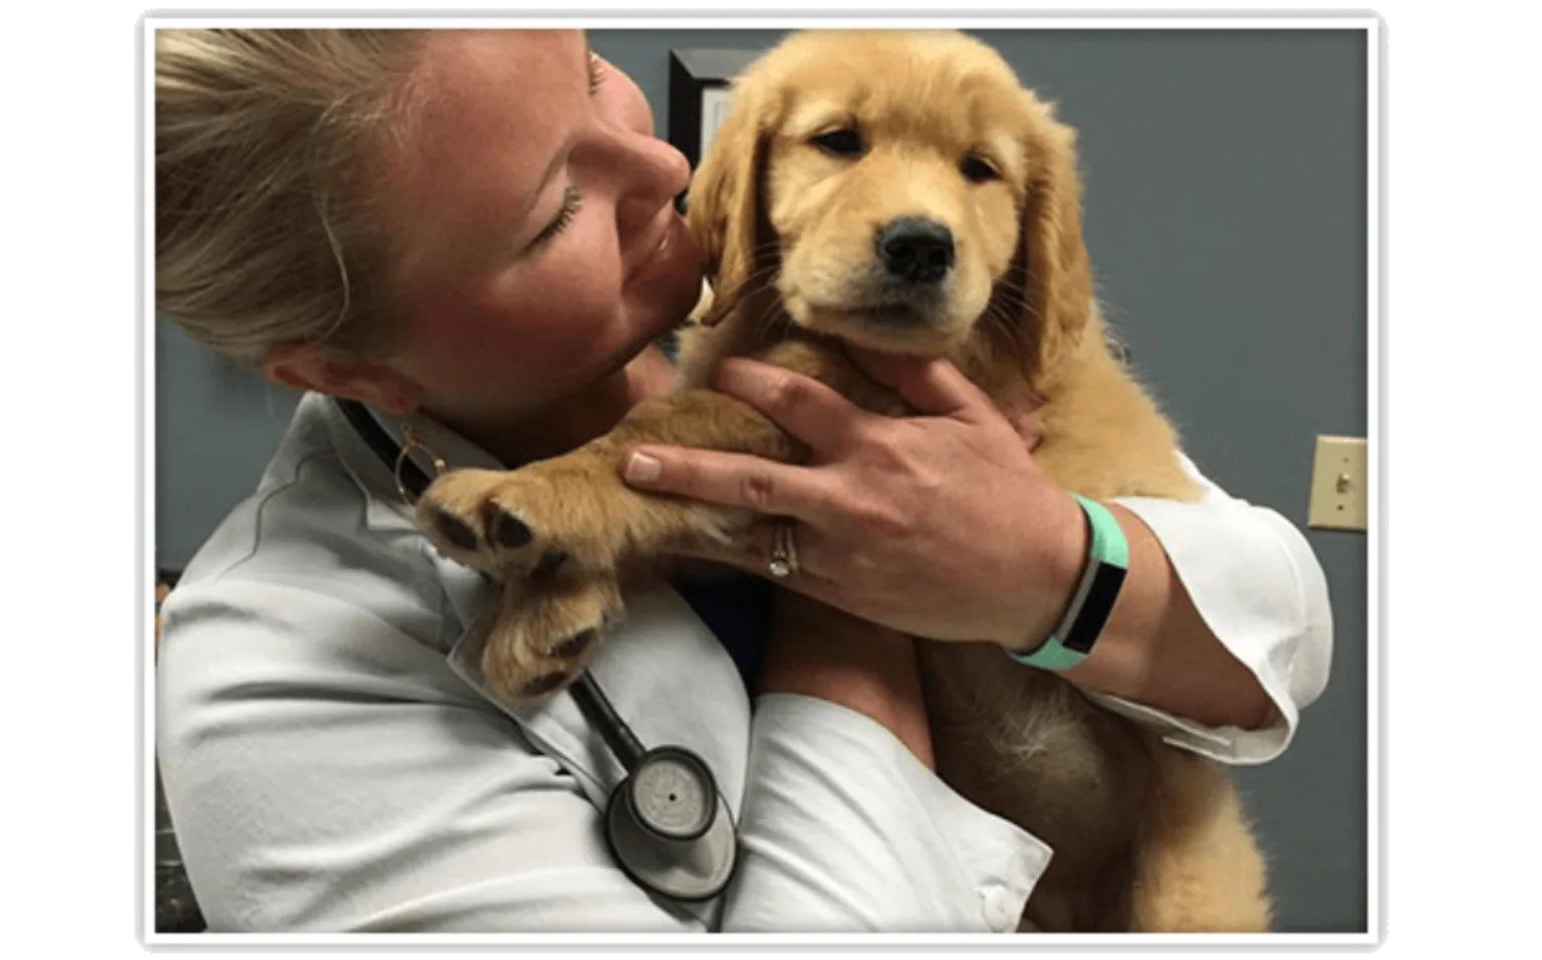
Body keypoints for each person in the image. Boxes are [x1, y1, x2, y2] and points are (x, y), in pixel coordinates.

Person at [152, 27, 1333, 933]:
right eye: (556, 207)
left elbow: (1281, 630)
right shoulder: (275, 685)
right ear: (346, 365)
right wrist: (850, 580)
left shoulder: (880, 340)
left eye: (591, 72)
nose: (668, 158)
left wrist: (1049, 568)